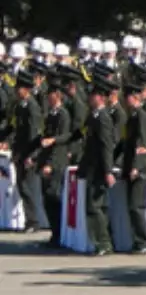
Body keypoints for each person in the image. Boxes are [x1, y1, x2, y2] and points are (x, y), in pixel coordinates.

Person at [0, 72, 42, 233]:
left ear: (26, 89)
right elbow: (12, 126)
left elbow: (33, 133)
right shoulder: (20, 106)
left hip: (27, 151)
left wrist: (31, 155)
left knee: (26, 186)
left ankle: (33, 221)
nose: (17, 91)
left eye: (19, 88)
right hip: (19, 150)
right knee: (21, 184)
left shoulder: (32, 107)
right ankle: (29, 220)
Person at [81, 80, 119, 257]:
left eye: (93, 95)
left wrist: (108, 170)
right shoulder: (94, 116)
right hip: (92, 167)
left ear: (101, 98)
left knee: (95, 206)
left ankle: (103, 242)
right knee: (95, 205)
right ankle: (99, 241)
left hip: (98, 169)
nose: (90, 98)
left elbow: (106, 146)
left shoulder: (103, 118)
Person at [34, 85, 73, 248]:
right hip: (46, 159)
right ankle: (54, 232)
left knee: (53, 196)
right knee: (46, 198)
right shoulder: (50, 114)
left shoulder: (63, 114)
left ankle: (58, 233)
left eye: (50, 96)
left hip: (56, 161)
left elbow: (61, 139)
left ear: (57, 95)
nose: (48, 99)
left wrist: (50, 163)